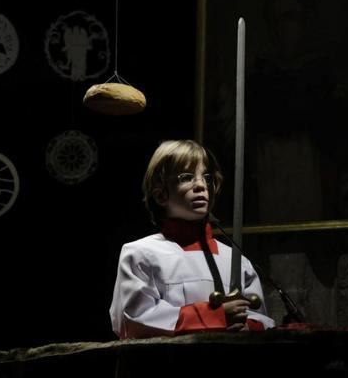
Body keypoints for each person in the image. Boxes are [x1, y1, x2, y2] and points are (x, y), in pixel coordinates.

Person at [109, 140, 275, 339]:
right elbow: (134, 319)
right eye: (186, 177)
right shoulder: (141, 253)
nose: (201, 185)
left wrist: (250, 326)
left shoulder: (236, 260)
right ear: (160, 195)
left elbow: (261, 317)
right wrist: (214, 316)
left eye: (207, 177)